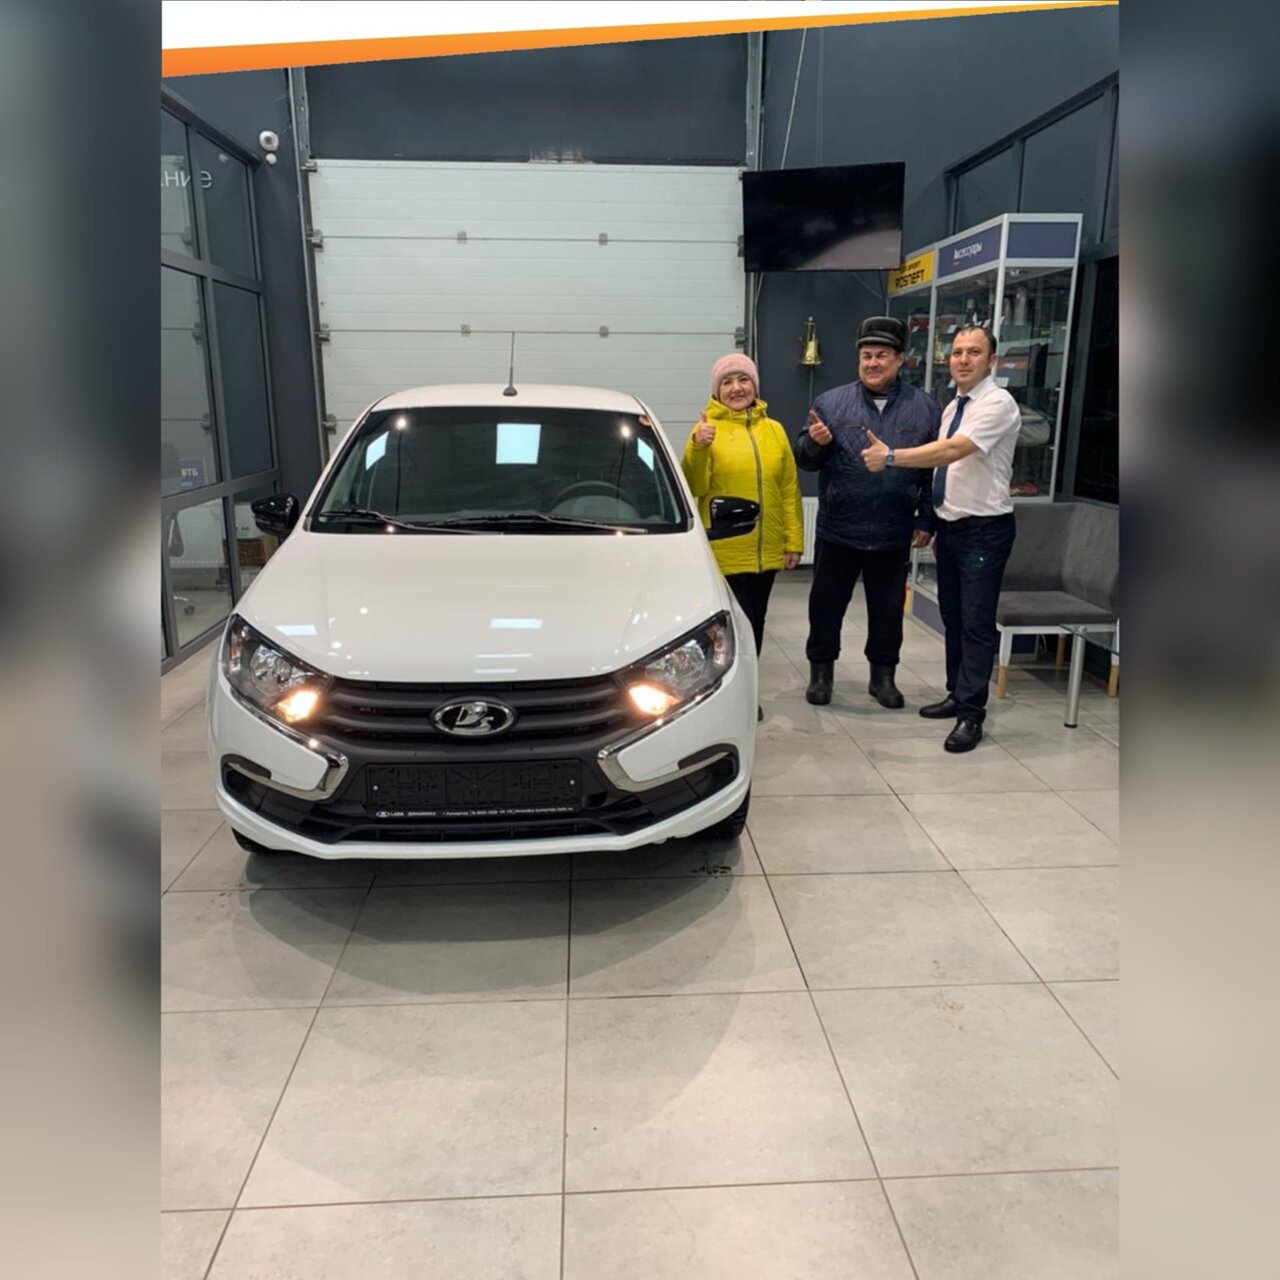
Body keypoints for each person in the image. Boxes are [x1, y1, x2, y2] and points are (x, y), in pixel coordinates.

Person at [861, 324, 1020, 752]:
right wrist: (933, 519)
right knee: (954, 617)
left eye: (974, 352)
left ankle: (972, 714)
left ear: (992, 360)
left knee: (976, 623)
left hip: (984, 530)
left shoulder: (997, 404)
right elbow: (943, 467)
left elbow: (952, 452)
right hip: (953, 527)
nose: (963, 360)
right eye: (957, 352)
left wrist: (890, 456)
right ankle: (957, 693)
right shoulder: (953, 407)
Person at [794, 315, 940, 710]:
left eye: (881, 355)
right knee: (825, 607)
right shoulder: (830, 403)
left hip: (893, 531)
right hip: (838, 529)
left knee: (888, 611)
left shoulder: (924, 408)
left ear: (900, 359)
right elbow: (805, 459)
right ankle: (821, 674)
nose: (872, 362)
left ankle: (883, 678)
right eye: (866, 355)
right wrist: (816, 443)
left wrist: (926, 519)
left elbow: (932, 470)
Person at [683, 354, 804, 718]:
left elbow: (788, 488)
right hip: (725, 550)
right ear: (716, 391)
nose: (736, 388)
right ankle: (719, 697)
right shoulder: (705, 431)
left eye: (743, 380)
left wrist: (793, 541)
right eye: (727, 382)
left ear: (755, 386)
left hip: (766, 551)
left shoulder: (775, 430)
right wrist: (698, 447)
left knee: (755, 625)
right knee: (726, 630)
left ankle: (746, 693)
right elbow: (693, 486)